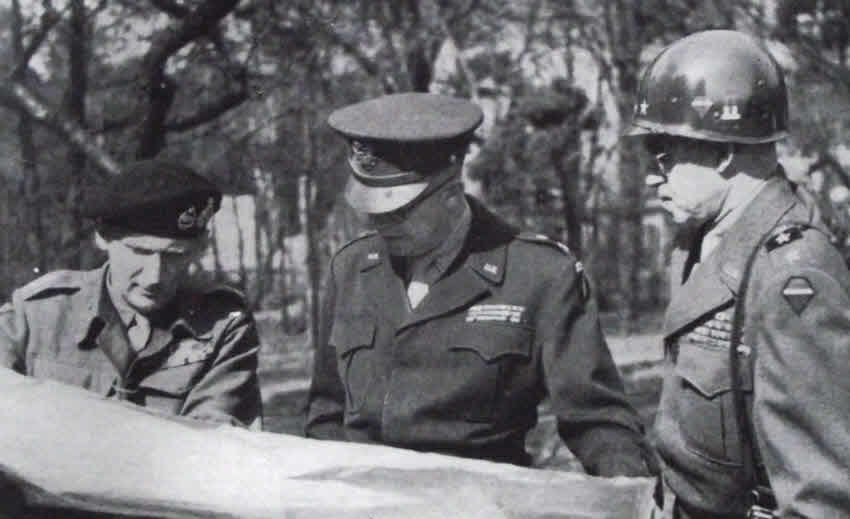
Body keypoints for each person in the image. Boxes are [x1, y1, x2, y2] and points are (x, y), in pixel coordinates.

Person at [304, 92, 654, 477]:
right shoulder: (351, 268)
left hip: (480, 498)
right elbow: (326, 414)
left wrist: (627, 483)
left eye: (399, 211)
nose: (382, 224)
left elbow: (597, 418)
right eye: (374, 210)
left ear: (450, 193)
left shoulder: (538, 274)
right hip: (364, 497)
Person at [627, 30, 850, 518]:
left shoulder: (793, 277)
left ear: (724, 152)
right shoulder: (700, 245)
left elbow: (821, 498)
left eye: (665, 155)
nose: (652, 176)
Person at [0, 159, 262, 428]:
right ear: (103, 238)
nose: (154, 277)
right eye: (140, 251)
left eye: (175, 256)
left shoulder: (222, 326)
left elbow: (212, 441)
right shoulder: (37, 314)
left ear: (200, 248)